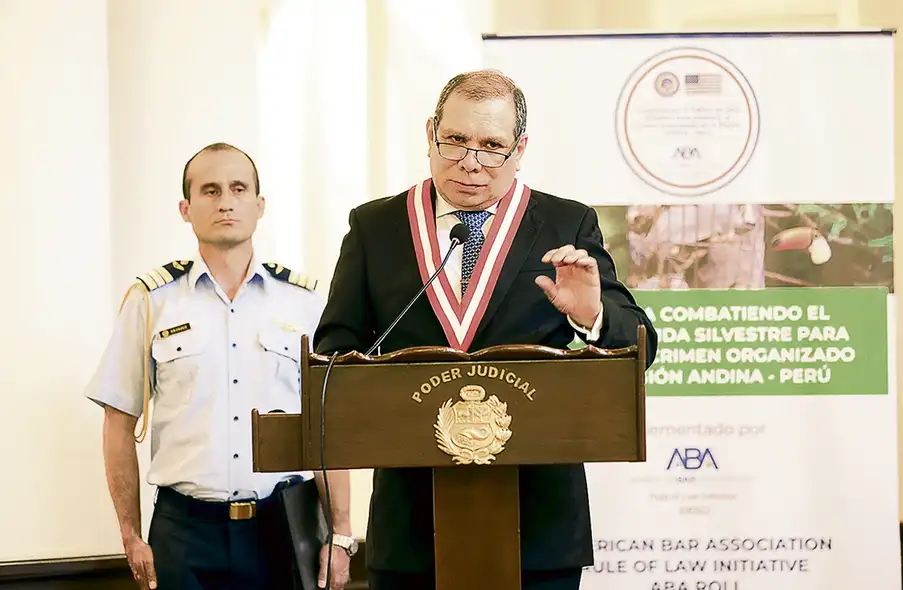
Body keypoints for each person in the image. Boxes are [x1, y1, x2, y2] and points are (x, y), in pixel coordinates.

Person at [313, 70, 658, 590]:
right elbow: (334, 355)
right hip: (411, 530)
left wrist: (592, 315)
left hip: (538, 527)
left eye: (492, 146)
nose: (471, 163)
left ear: (520, 150)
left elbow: (640, 347)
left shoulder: (565, 222)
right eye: (455, 140)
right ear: (430, 133)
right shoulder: (375, 227)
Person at [83, 143, 357, 590]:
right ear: (185, 209)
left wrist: (341, 533)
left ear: (259, 205)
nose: (226, 201)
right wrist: (130, 535)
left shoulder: (304, 301)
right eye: (210, 190)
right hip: (184, 530)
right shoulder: (152, 301)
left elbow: (327, 425)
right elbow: (118, 419)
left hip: (282, 527)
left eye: (238, 188)